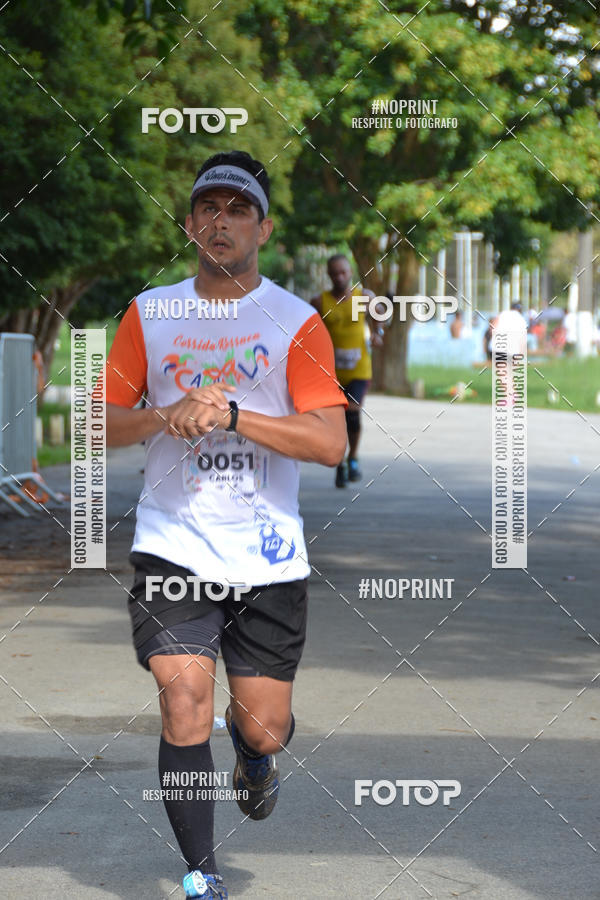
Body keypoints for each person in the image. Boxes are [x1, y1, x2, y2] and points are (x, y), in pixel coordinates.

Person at [105, 150, 347, 899]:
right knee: (184, 700)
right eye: (208, 207)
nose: (221, 220)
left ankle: (257, 757)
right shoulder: (151, 313)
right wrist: (163, 414)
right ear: (189, 223)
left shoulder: (296, 321)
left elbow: (330, 442)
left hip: (268, 556)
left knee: (262, 724)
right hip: (173, 542)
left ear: (263, 228)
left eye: (237, 209)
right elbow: (101, 424)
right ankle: (201, 875)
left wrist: (234, 414)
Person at [311, 254, 382, 488]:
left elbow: (378, 314)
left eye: (343, 272)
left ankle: (353, 457)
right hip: (330, 371)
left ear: (350, 272)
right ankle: (339, 463)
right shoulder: (320, 302)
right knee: (335, 419)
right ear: (329, 275)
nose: (340, 277)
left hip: (359, 369)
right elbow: (310, 331)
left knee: (352, 413)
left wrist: (377, 333)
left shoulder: (364, 297)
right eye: (335, 273)